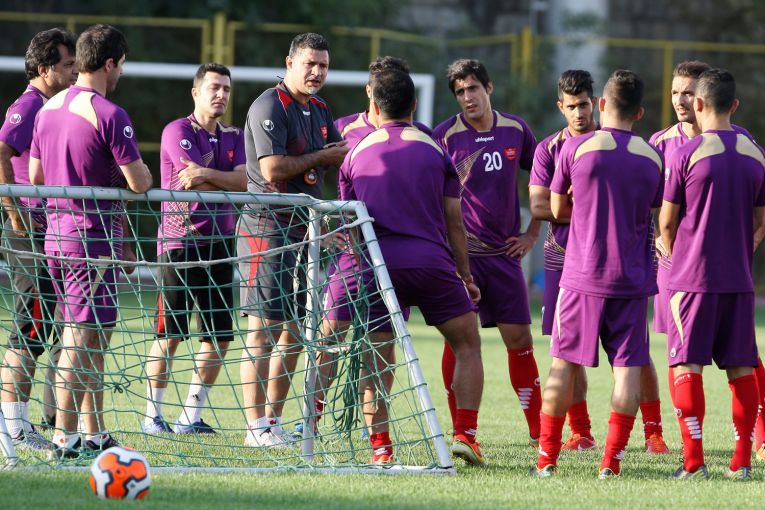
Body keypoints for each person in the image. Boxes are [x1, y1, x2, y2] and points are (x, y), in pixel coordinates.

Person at [340, 68, 485, 465]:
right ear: (415, 104)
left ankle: (381, 449)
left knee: (377, 358)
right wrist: (465, 275)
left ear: (374, 105)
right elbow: (455, 222)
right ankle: (466, 435)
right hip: (431, 264)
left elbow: (351, 227)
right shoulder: (437, 151)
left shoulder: (354, 154)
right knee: (467, 344)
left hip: (378, 267)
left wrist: (363, 272)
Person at [529, 70, 670, 455]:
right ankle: (598, 446)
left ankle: (549, 458)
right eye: (571, 106)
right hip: (600, 268)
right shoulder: (651, 155)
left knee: (574, 362)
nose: (579, 112)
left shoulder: (581, 149)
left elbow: (555, 206)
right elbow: (654, 209)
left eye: (584, 105)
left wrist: (587, 205)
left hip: (586, 270)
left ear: (600, 104)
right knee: (610, 364)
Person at [29, 24, 152, 459]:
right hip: (90, 241)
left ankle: (94, 434)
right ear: (109, 63)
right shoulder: (109, 113)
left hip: (57, 238)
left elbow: (36, 176)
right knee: (81, 340)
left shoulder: (48, 108)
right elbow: (140, 182)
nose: (121, 73)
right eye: (121, 65)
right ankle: (63, 439)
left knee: (93, 335)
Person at [650, 60, 765, 460]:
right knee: (741, 366)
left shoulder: (687, 153)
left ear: (699, 103)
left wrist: (680, 253)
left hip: (690, 278)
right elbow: (760, 222)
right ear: (733, 105)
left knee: (686, 364)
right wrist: (741, 249)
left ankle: (694, 459)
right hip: (738, 278)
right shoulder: (755, 153)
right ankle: (742, 458)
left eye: (688, 94)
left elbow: (666, 222)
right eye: (675, 93)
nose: (682, 101)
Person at [238, 32, 348, 448]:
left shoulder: (319, 109)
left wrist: (331, 221)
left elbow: (332, 162)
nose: (317, 72)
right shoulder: (270, 105)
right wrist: (323, 156)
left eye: (323, 65)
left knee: (296, 333)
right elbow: (272, 169)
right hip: (266, 229)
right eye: (310, 64)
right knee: (263, 330)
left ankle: (272, 421)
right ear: (289, 63)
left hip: (305, 231)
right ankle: (254, 428)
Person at [433, 59, 541, 445]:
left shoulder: (516, 130)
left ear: (489, 88)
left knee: (521, 342)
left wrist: (532, 234)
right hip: (462, 259)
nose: (467, 97)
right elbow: (431, 196)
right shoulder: (444, 136)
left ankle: (538, 433)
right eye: (460, 91)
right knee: (459, 342)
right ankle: (462, 433)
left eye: (473, 88)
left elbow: (543, 181)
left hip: (505, 256)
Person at [142, 63, 246, 435]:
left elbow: (246, 182)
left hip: (221, 245)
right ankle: (152, 416)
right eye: (214, 87)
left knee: (219, 338)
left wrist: (207, 175)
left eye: (226, 89)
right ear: (196, 92)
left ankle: (190, 416)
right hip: (179, 244)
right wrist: (222, 179)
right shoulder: (178, 130)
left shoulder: (235, 136)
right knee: (170, 335)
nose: (221, 94)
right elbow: (189, 179)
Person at [0, 27, 77, 451]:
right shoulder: (29, 105)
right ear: (45, 69)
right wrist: (15, 213)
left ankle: (40, 420)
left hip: (47, 230)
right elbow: (1, 152)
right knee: (28, 328)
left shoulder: (53, 105)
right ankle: (14, 428)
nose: (74, 71)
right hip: (27, 231)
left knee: (48, 325)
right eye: (68, 64)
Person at [335, 56, 431, 147]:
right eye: (384, 88)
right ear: (369, 91)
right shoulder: (341, 128)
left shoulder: (422, 133)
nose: (390, 94)